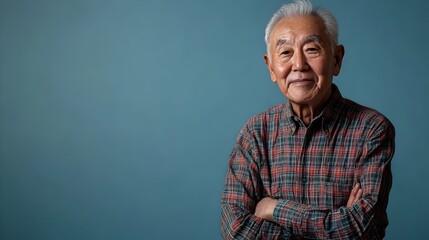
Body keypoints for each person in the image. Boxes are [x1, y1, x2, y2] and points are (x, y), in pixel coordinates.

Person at [220, 0, 395, 239]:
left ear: (336, 59)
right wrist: (335, 225)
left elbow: (364, 228)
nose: (299, 64)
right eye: (285, 52)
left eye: (312, 49)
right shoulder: (255, 133)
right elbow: (235, 228)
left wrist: (275, 208)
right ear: (271, 68)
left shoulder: (371, 130)